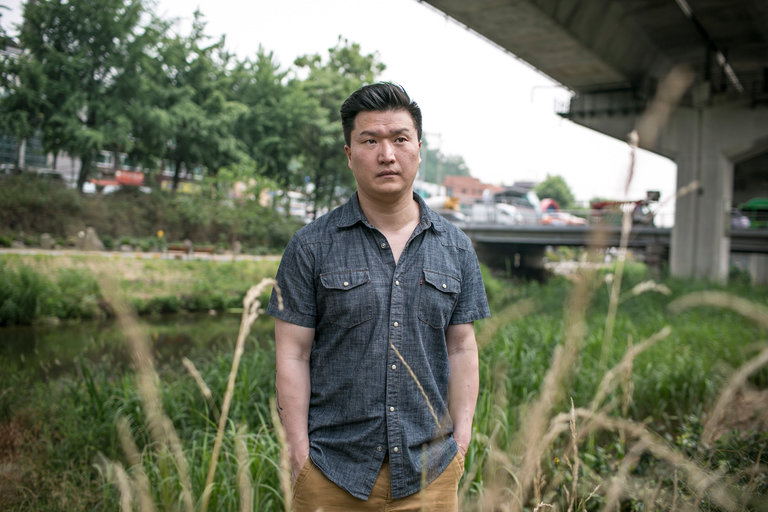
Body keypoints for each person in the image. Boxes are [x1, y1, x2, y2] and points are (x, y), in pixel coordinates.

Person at [267, 82, 490, 511]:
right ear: (350, 154)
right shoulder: (310, 246)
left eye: (400, 139)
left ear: (418, 149)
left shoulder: (456, 248)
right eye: (370, 141)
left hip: (431, 474)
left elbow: (463, 347)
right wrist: (298, 453)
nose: (387, 155)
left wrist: (460, 446)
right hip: (331, 473)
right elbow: (291, 355)